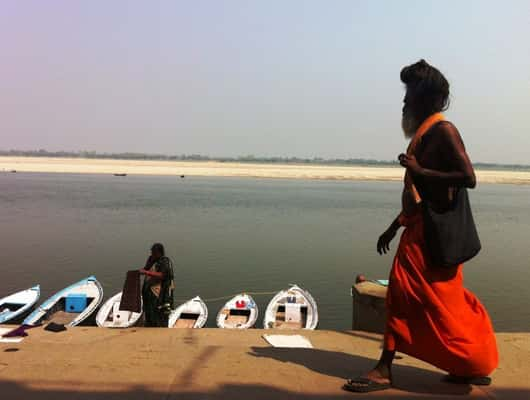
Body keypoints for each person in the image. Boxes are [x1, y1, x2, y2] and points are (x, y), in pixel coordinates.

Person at [344, 60, 498, 393]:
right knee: (447, 308)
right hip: (422, 230)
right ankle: (471, 362)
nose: (404, 101)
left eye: (409, 92)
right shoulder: (426, 132)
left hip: (431, 239)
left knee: (401, 296)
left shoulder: (443, 130)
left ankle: (384, 369)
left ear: (425, 97)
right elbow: (422, 197)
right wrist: (394, 226)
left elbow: (468, 178)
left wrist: (419, 169)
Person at [139, 243, 175, 327]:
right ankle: (149, 325)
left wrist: (146, 272)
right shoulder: (153, 260)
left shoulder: (165, 261)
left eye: (153, 253)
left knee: (160, 313)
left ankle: (159, 329)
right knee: (149, 313)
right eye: (151, 253)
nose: (152, 254)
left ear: (159, 253)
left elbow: (162, 275)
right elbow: (146, 268)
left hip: (160, 294)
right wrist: (149, 262)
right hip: (150, 293)